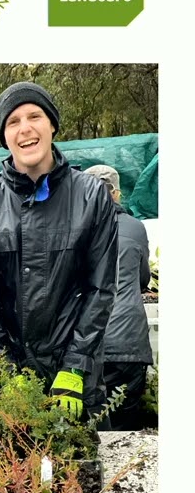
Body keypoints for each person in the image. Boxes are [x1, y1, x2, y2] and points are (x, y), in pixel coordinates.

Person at [0, 81, 118, 423]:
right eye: (13, 121)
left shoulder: (91, 196)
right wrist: (4, 373)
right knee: (13, 472)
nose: (25, 129)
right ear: (4, 136)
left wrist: (75, 366)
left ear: (52, 124)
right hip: (11, 384)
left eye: (34, 115)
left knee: (81, 471)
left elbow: (101, 289)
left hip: (75, 382)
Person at [84, 164, 154, 429]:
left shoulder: (75, 229)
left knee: (90, 429)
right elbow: (142, 279)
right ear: (116, 194)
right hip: (129, 343)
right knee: (127, 428)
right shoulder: (136, 228)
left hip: (87, 345)